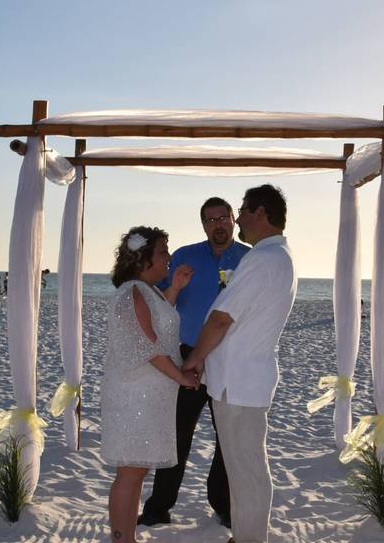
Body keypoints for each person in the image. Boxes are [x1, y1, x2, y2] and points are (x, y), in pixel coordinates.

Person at [183, 184, 297, 543]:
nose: (240, 218)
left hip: (240, 381)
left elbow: (220, 319)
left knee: (245, 470)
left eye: (243, 210)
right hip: (249, 378)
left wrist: (195, 359)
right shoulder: (279, 256)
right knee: (247, 467)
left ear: (259, 213)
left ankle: (250, 538)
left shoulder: (262, 258)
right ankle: (250, 534)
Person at [139, 197, 249, 529]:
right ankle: (159, 507)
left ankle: (223, 504)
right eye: (210, 219)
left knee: (227, 436)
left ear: (233, 220)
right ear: (203, 224)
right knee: (176, 435)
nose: (217, 224)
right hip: (187, 357)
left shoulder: (250, 259)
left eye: (222, 217)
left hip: (231, 359)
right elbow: (149, 292)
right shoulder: (185, 256)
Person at [101, 226, 198, 543]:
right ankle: (121, 539)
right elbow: (148, 344)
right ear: (144, 258)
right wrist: (182, 376)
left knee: (137, 470)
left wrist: (176, 289)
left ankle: (126, 537)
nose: (169, 257)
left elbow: (156, 319)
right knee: (129, 472)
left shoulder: (148, 291)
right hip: (134, 397)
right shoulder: (131, 292)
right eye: (162, 251)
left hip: (149, 395)